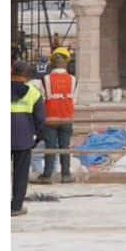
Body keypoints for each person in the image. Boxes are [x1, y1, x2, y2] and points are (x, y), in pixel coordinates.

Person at [35, 47, 76, 184]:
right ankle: (66, 175)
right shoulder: (73, 79)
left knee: (50, 147)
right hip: (67, 118)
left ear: (52, 62)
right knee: (65, 147)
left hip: (50, 119)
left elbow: (41, 99)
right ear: (66, 62)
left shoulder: (45, 79)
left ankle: (47, 176)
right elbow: (74, 100)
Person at [12, 60, 46, 216]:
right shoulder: (34, 93)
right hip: (24, 138)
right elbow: (40, 119)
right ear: (26, 75)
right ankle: (16, 207)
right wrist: (37, 137)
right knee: (21, 174)